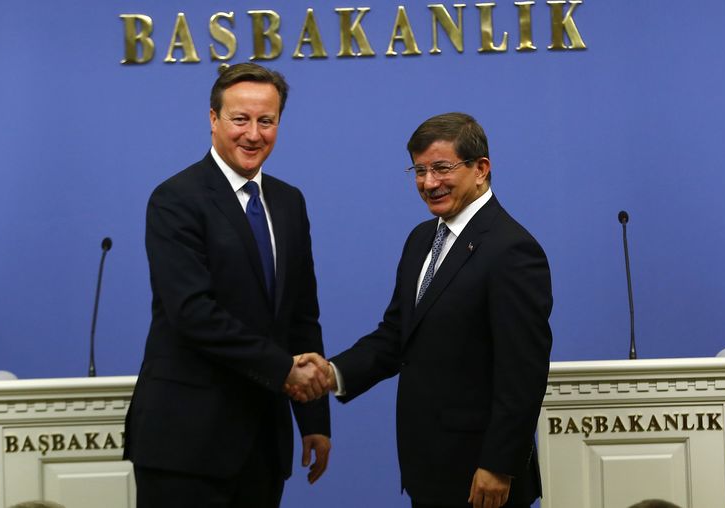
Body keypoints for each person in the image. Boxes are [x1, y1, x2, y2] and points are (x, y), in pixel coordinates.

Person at [124, 63, 331, 508]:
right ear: (213, 119)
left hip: (261, 444)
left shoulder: (289, 202)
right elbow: (192, 313)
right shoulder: (176, 198)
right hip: (185, 444)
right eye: (240, 119)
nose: (253, 134)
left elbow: (300, 315)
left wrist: (314, 418)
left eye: (266, 121)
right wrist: (284, 369)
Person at [320, 112, 553, 508]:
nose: (429, 183)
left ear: (481, 169)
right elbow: (397, 335)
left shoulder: (512, 250)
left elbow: (523, 371)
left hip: (482, 477)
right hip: (427, 469)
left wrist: (499, 465)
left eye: (442, 168)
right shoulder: (421, 240)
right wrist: (332, 372)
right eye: (420, 170)